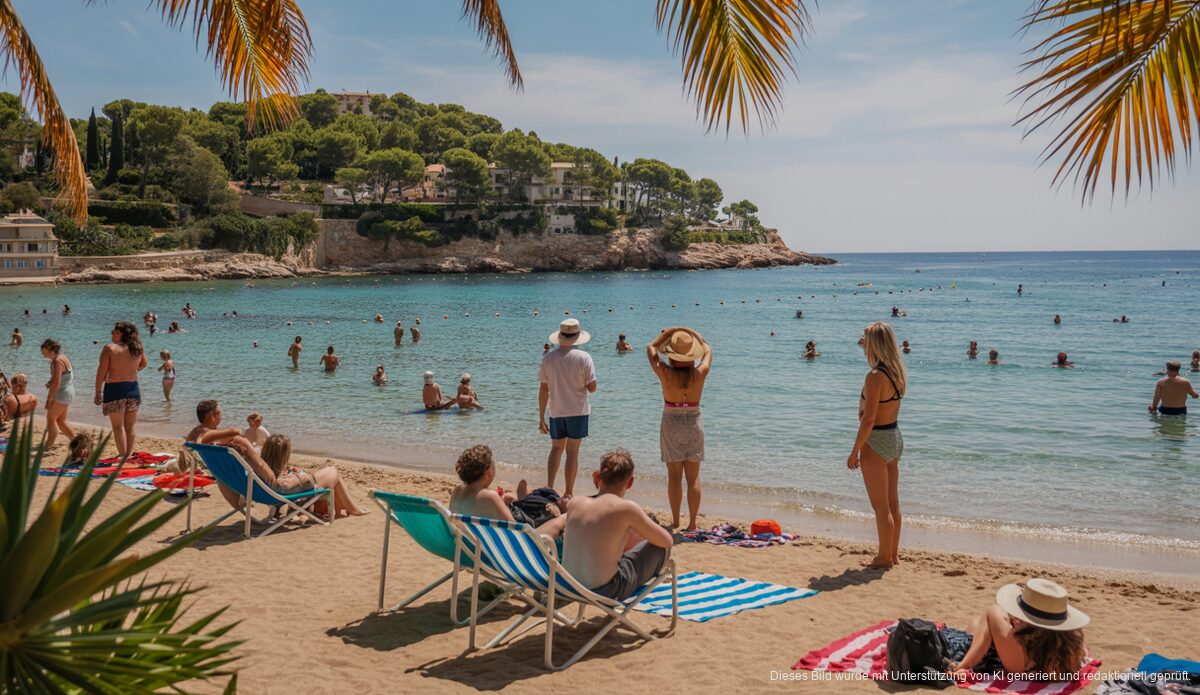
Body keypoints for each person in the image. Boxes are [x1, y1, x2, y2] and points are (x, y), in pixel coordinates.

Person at [554, 450, 673, 601]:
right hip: (605, 591)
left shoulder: (575, 503)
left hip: (569, 584)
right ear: (630, 482)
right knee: (660, 547)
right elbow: (667, 541)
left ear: (597, 477)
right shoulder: (626, 508)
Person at [847, 321, 906, 569]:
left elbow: (869, 419)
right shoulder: (897, 371)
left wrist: (855, 451)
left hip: (877, 440)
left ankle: (883, 558)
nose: (862, 343)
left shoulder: (874, 377)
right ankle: (892, 554)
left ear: (875, 344)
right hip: (894, 437)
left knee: (881, 507)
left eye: (865, 339)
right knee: (893, 503)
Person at [949, 578, 1088, 681]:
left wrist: (962, 667)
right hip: (1039, 671)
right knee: (977, 623)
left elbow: (993, 613)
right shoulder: (1071, 649)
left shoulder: (1023, 650)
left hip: (1020, 667)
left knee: (980, 621)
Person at [647, 327, 711, 531]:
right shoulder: (699, 374)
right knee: (693, 478)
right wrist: (695, 335)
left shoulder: (665, 373)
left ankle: (676, 521)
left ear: (672, 355)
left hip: (671, 422)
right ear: (692, 356)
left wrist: (670, 332)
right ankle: (692, 523)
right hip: (693, 423)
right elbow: (708, 350)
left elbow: (651, 347)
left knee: (674, 476)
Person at [538, 319, 597, 497]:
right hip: (578, 411)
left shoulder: (548, 358)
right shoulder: (584, 358)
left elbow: (543, 390)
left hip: (556, 411)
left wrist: (541, 417)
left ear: (560, 336)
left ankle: (549, 487)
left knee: (556, 448)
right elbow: (592, 388)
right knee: (572, 452)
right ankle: (568, 493)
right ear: (578, 337)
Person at [449, 444, 566, 529]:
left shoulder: (457, 492)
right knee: (563, 518)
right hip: (519, 541)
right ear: (489, 472)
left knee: (517, 493)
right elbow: (516, 530)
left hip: (470, 545)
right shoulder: (489, 496)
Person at [260, 434, 367, 519]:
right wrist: (302, 475)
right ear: (283, 455)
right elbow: (299, 483)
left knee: (326, 467)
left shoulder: (262, 472)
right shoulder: (281, 482)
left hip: (280, 494)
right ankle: (351, 509)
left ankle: (341, 510)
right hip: (298, 495)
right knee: (333, 469)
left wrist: (296, 473)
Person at [94, 322, 148, 458]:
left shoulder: (109, 349)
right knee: (131, 426)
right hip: (133, 389)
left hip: (115, 390)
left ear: (122, 333)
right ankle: (129, 455)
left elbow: (101, 372)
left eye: (115, 331)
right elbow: (144, 364)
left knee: (118, 427)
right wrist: (132, 369)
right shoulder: (137, 347)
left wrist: (98, 392)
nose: (112, 333)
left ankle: (123, 456)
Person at [40, 339, 75, 447]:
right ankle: (76, 442)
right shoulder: (62, 357)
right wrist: (50, 382)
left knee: (51, 419)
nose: (43, 355)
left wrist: (49, 400)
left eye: (44, 352)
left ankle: (48, 444)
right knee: (61, 421)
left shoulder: (57, 362)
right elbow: (62, 375)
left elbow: (56, 383)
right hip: (69, 391)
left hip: (62, 394)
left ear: (51, 350)